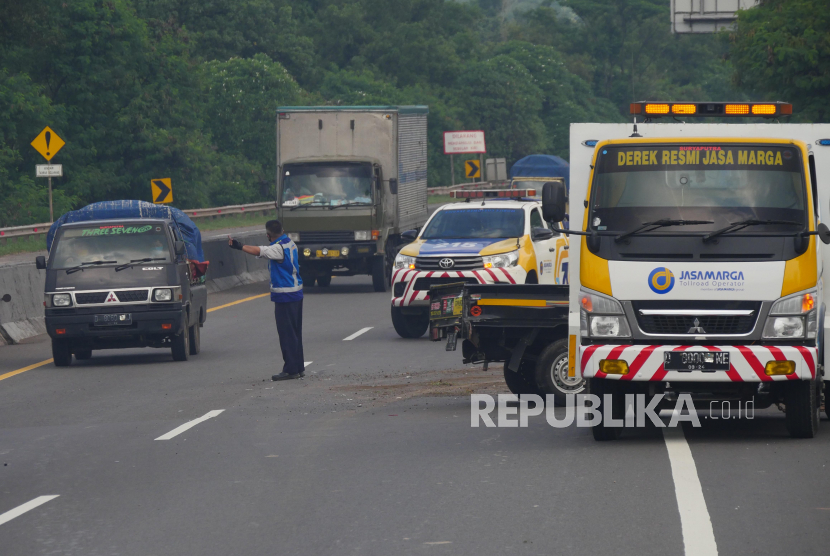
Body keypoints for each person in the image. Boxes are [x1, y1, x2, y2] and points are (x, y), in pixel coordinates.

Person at [228, 220, 305, 381]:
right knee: (295, 332)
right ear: (282, 230)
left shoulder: (278, 249)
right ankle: (298, 367)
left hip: (285, 295)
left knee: (286, 334)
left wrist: (238, 245)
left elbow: (259, 251)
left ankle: (291, 369)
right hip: (296, 293)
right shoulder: (289, 242)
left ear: (268, 235)